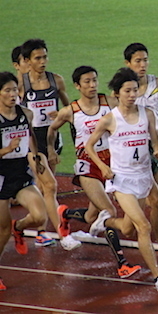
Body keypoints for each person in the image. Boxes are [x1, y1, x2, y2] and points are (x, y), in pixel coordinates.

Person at [85, 67, 158, 293]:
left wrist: (157, 151)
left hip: (144, 176)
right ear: (117, 93)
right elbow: (89, 146)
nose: (133, 94)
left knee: (127, 227)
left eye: (135, 90)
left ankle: (104, 222)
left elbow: (154, 142)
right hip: (122, 180)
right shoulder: (109, 120)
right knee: (142, 226)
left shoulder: (148, 114)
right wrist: (103, 167)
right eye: (128, 91)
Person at [48, 65, 141, 278]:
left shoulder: (108, 102)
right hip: (88, 165)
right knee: (110, 212)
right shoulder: (70, 111)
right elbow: (52, 128)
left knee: (92, 215)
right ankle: (122, 263)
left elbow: (128, 109)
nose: (92, 85)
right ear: (77, 86)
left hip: (111, 162)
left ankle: (65, 214)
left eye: (94, 80)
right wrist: (51, 149)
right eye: (87, 82)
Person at [11, 45, 78, 249]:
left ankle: (38, 231)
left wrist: (62, 115)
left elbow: (70, 109)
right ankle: (63, 234)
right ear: (27, 61)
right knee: (50, 185)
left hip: (52, 140)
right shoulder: (20, 85)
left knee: (46, 189)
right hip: (32, 142)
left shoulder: (55, 80)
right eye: (38, 58)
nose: (42, 62)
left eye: (45, 57)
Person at [123, 43, 158, 267]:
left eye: (145, 60)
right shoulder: (125, 91)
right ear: (128, 63)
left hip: (156, 152)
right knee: (127, 225)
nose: (143, 65)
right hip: (133, 158)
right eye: (138, 61)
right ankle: (108, 223)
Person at [0, 72, 48, 290]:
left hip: (21, 172)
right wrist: (6, 150)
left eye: (15, 90)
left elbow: (31, 136)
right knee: (2, 231)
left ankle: (19, 227)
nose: (13, 95)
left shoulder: (26, 113)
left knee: (40, 216)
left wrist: (37, 159)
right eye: (7, 91)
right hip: (1, 176)